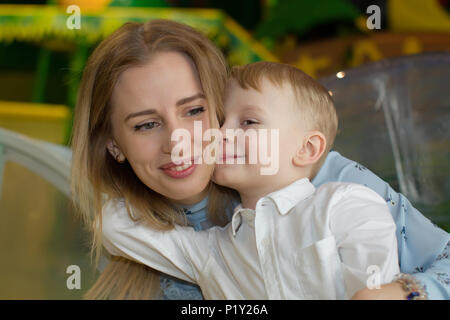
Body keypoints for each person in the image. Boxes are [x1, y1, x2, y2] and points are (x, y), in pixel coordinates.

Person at [70, 19, 450, 300]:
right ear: (113, 145)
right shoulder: (147, 246)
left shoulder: (330, 182)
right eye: (147, 125)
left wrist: (405, 292)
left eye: (194, 110)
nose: (178, 141)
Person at [102, 61, 404, 299]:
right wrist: (128, 155)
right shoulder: (212, 252)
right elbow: (113, 225)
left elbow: (375, 293)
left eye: (248, 122)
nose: (218, 134)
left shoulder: (346, 205)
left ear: (307, 149)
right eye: (220, 121)